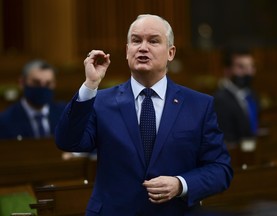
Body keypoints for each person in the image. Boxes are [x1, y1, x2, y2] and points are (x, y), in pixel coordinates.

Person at [55, 14, 233, 216]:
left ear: (171, 53)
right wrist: (90, 85)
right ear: (127, 50)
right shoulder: (100, 101)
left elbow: (220, 170)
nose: (143, 47)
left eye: (154, 41)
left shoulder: (198, 105)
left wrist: (180, 184)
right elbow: (67, 141)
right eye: (136, 40)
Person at [0, 59, 66, 140]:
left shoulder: (65, 115)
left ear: (54, 84)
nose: (42, 87)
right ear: (22, 83)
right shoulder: (5, 120)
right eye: (36, 83)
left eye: (48, 83)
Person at [214, 46, 260, 147]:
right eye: (241, 67)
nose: (248, 72)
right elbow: (226, 138)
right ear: (227, 70)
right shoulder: (220, 100)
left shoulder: (252, 95)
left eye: (251, 66)